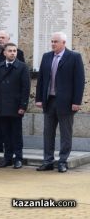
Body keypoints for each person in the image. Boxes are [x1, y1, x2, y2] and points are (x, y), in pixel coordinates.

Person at [35, 32, 85, 173]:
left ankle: (63, 161)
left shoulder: (74, 57)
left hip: (67, 103)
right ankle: (48, 161)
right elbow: (41, 80)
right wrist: (39, 98)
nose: (53, 44)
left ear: (63, 43)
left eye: (56, 41)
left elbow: (79, 81)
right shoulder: (46, 57)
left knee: (65, 133)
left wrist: (76, 101)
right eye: (52, 41)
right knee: (48, 133)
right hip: (49, 101)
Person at [0, 43, 30, 169]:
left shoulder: (22, 67)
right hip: (2, 106)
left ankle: (18, 158)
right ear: (4, 53)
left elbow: (26, 88)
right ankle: (7, 158)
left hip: (16, 106)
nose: (13, 53)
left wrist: (23, 106)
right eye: (10, 51)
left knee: (16, 134)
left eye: (14, 51)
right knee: (5, 134)